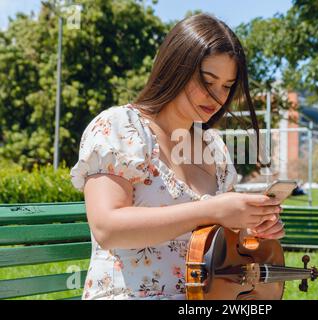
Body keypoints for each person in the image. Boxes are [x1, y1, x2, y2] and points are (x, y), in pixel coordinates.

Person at [70, 13, 284, 300]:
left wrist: (249, 225)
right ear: (175, 68)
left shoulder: (213, 146)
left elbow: (222, 243)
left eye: (227, 85)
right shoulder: (120, 127)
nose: (218, 97)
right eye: (208, 81)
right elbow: (108, 228)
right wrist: (212, 210)